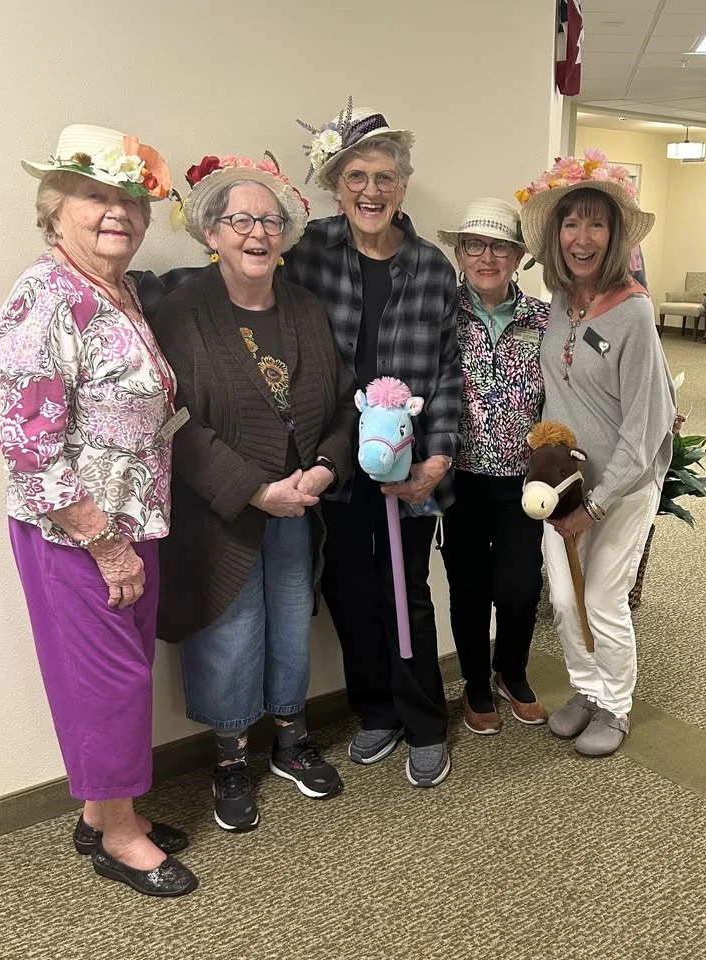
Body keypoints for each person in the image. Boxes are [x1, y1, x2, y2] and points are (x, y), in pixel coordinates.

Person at [0, 124, 197, 896]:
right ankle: (118, 835)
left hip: (131, 520)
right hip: (78, 532)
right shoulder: (43, 296)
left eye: (131, 201)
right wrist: (102, 542)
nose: (118, 213)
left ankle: (101, 810)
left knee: (120, 675)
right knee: (106, 680)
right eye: (96, 198)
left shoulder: (116, 290)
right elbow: (28, 445)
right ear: (56, 209)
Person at [151, 153, 356, 833]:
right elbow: (175, 420)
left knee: (291, 621)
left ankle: (292, 739)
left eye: (269, 220)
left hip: (299, 504)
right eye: (240, 219)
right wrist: (252, 490)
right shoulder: (182, 311)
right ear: (212, 233)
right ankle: (231, 758)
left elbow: (343, 408)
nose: (257, 233)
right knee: (231, 631)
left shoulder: (304, 307)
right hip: (225, 512)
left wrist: (325, 469)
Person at [286, 100, 462, 787]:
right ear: (336, 184)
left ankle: (423, 721)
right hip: (333, 461)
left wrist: (437, 460)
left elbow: (447, 374)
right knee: (348, 589)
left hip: (409, 467)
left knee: (406, 591)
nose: (370, 190)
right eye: (356, 175)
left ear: (403, 187)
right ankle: (376, 713)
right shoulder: (308, 251)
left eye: (384, 177)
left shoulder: (429, 266)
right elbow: (242, 290)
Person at [517, 151, 675, 756]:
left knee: (604, 597)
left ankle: (616, 704)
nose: (581, 238)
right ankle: (586, 687)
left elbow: (648, 426)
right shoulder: (560, 300)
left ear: (614, 237)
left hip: (622, 489)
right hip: (564, 485)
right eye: (570, 223)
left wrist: (600, 504)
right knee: (561, 595)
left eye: (596, 224)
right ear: (556, 235)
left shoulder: (634, 313)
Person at [436, 198, 549, 735]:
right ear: (459, 253)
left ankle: (512, 670)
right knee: (468, 586)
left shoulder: (545, 320)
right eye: (475, 245)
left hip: (525, 483)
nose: (487, 256)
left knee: (521, 586)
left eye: (500, 246)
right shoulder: (440, 315)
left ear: (519, 255)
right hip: (459, 480)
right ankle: (476, 684)